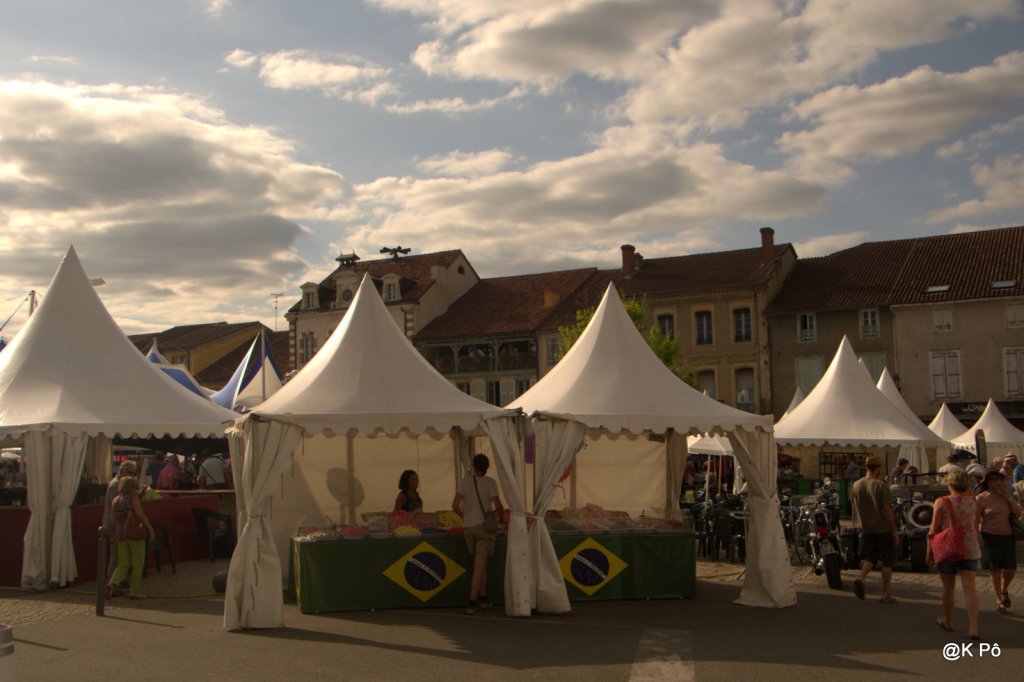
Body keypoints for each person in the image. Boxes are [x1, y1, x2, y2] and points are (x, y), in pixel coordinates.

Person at [927, 469, 982, 639]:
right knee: (970, 588)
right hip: (969, 546)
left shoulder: (942, 502)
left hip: (948, 547)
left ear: (950, 484)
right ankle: (973, 627)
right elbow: (976, 523)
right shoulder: (974, 501)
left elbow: (933, 529)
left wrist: (929, 551)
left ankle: (949, 621)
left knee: (948, 587)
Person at [453, 454, 504, 614]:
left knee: (480, 565)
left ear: (473, 466)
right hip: (483, 528)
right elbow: (498, 505)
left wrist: (465, 517)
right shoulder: (490, 483)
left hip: (468, 528)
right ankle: (471, 602)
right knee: (479, 566)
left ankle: (483, 599)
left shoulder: (465, 481)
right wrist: (501, 520)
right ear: (487, 467)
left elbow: (455, 505)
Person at [851, 455, 899, 604]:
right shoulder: (881, 485)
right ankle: (885, 594)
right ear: (878, 468)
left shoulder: (856, 485)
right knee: (887, 561)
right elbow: (886, 510)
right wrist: (894, 530)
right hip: (882, 527)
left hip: (865, 527)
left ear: (866, 467)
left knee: (870, 558)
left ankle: (861, 578)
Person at [976, 470, 1022, 613]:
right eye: (994, 480)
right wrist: (976, 536)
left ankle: (1004, 589)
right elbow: (976, 519)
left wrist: (1007, 495)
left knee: (1010, 569)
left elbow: (1019, 513)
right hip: (989, 537)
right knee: (995, 569)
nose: (997, 482)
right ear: (987, 482)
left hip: (1007, 536)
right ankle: (999, 599)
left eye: (999, 480)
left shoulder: (1006, 497)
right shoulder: (981, 498)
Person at [106, 476, 155, 600]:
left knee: (123, 563)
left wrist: (122, 525)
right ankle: (134, 591)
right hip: (134, 533)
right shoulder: (133, 498)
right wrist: (150, 529)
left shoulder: (116, 500)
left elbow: (112, 520)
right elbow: (140, 514)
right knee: (138, 563)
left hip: (120, 534)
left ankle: (112, 584)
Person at [103, 461, 137, 582]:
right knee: (116, 554)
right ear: (122, 471)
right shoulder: (116, 485)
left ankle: (117, 581)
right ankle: (111, 582)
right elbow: (117, 507)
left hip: (119, 524)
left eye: (134, 473)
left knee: (121, 555)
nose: (132, 476)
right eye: (131, 473)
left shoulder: (120, 483)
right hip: (115, 525)